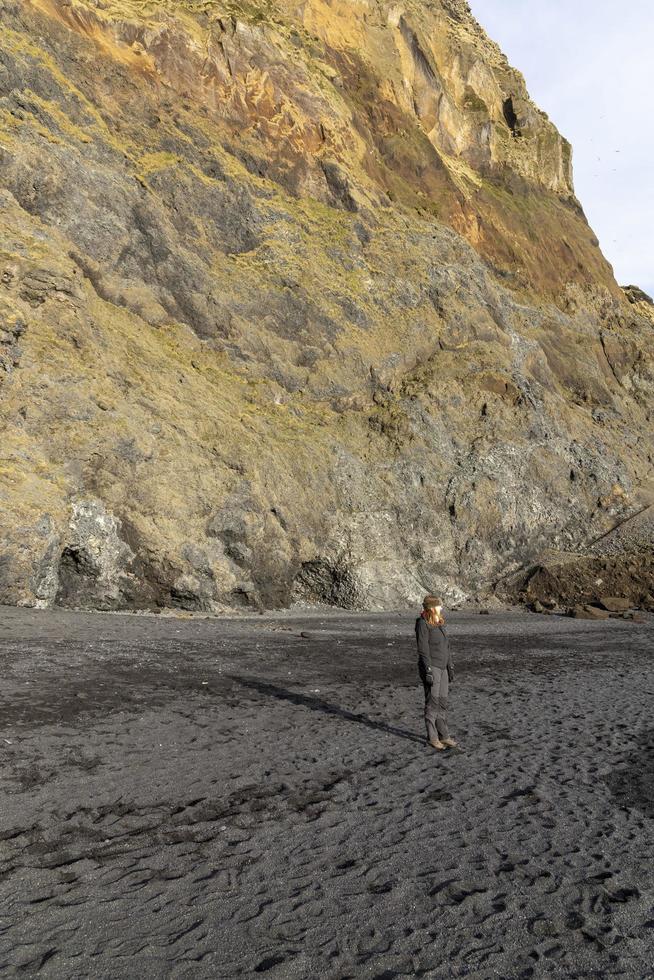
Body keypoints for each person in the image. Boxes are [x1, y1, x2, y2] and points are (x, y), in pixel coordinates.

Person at [415, 596, 456, 750]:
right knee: (432, 702)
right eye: (439, 606)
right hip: (432, 667)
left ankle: (444, 735)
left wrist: (450, 666)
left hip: (443, 667)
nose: (441, 608)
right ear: (431, 607)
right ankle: (432, 737)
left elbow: (447, 647)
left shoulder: (439, 623)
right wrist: (428, 670)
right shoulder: (422, 623)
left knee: (442, 702)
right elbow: (423, 649)